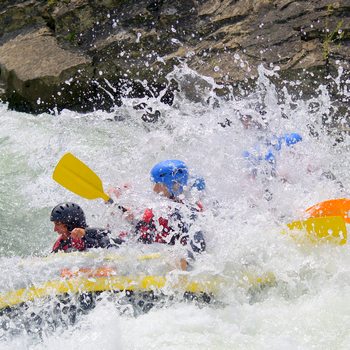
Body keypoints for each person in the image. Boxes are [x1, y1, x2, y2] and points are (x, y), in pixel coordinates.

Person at [111, 160, 206, 255]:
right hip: (139, 243)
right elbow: (144, 225)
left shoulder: (184, 212)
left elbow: (199, 246)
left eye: (159, 185)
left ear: (175, 185)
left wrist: (182, 259)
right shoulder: (162, 204)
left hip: (153, 250)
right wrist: (128, 215)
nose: (154, 189)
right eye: (154, 184)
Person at [50, 202, 120, 253]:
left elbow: (107, 235)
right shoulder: (60, 244)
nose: (55, 229)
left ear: (70, 224)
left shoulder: (94, 237)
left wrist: (85, 233)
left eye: (58, 224)